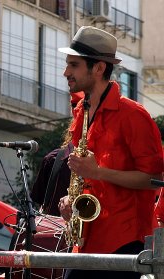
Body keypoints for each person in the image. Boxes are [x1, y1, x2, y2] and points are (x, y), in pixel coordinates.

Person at [57, 26, 163, 279]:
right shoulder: (81, 111)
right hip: (85, 240)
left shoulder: (134, 115)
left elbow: (155, 178)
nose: (66, 72)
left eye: (74, 65)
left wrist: (98, 172)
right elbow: (87, 175)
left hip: (123, 242)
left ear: (99, 68)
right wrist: (71, 198)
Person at [31, 92, 82, 216]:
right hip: (57, 232)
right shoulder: (52, 160)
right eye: (76, 106)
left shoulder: (107, 162)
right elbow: (41, 203)